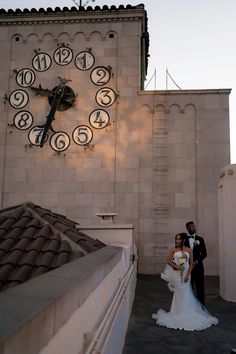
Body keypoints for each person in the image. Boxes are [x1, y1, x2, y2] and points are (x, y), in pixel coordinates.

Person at [152, 233, 218, 331]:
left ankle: (187, 311)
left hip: (186, 273)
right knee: (179, 292)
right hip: (177, 274)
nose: (177, 241)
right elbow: (168, 261)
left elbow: (191, 264)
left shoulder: (189, 250)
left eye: (178, 239)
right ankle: (176, 312)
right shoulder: (173, 249)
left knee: (186, 292)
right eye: (176, 239)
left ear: (183, 240)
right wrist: (177, 266)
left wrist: (187, 274)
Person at [184, 221, 207, 305]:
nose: (194, 228)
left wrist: (197, 261)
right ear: (188, 228)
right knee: (188, 288)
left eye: (194, 226)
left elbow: (204, 253)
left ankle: (202, 306)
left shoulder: (200, 239)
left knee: (200, 288)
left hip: (198, 268)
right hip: (187, 268)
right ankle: (188, 306)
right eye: (192, 227)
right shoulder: (184, 240)